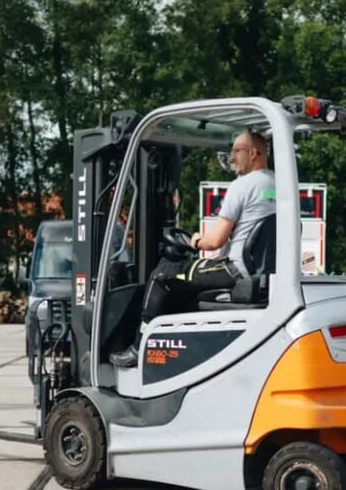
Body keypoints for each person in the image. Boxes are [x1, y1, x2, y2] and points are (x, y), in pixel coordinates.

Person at [109, 131, 276, 368]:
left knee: (162, 275)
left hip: (235, 270)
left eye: (237, 151)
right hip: (263, 274)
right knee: (186, 281)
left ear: (253, 153)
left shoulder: (243, 186)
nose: (231, 158)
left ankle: (139, 346)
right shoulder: (278, 185)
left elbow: (214, 241)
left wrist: (194, 241)